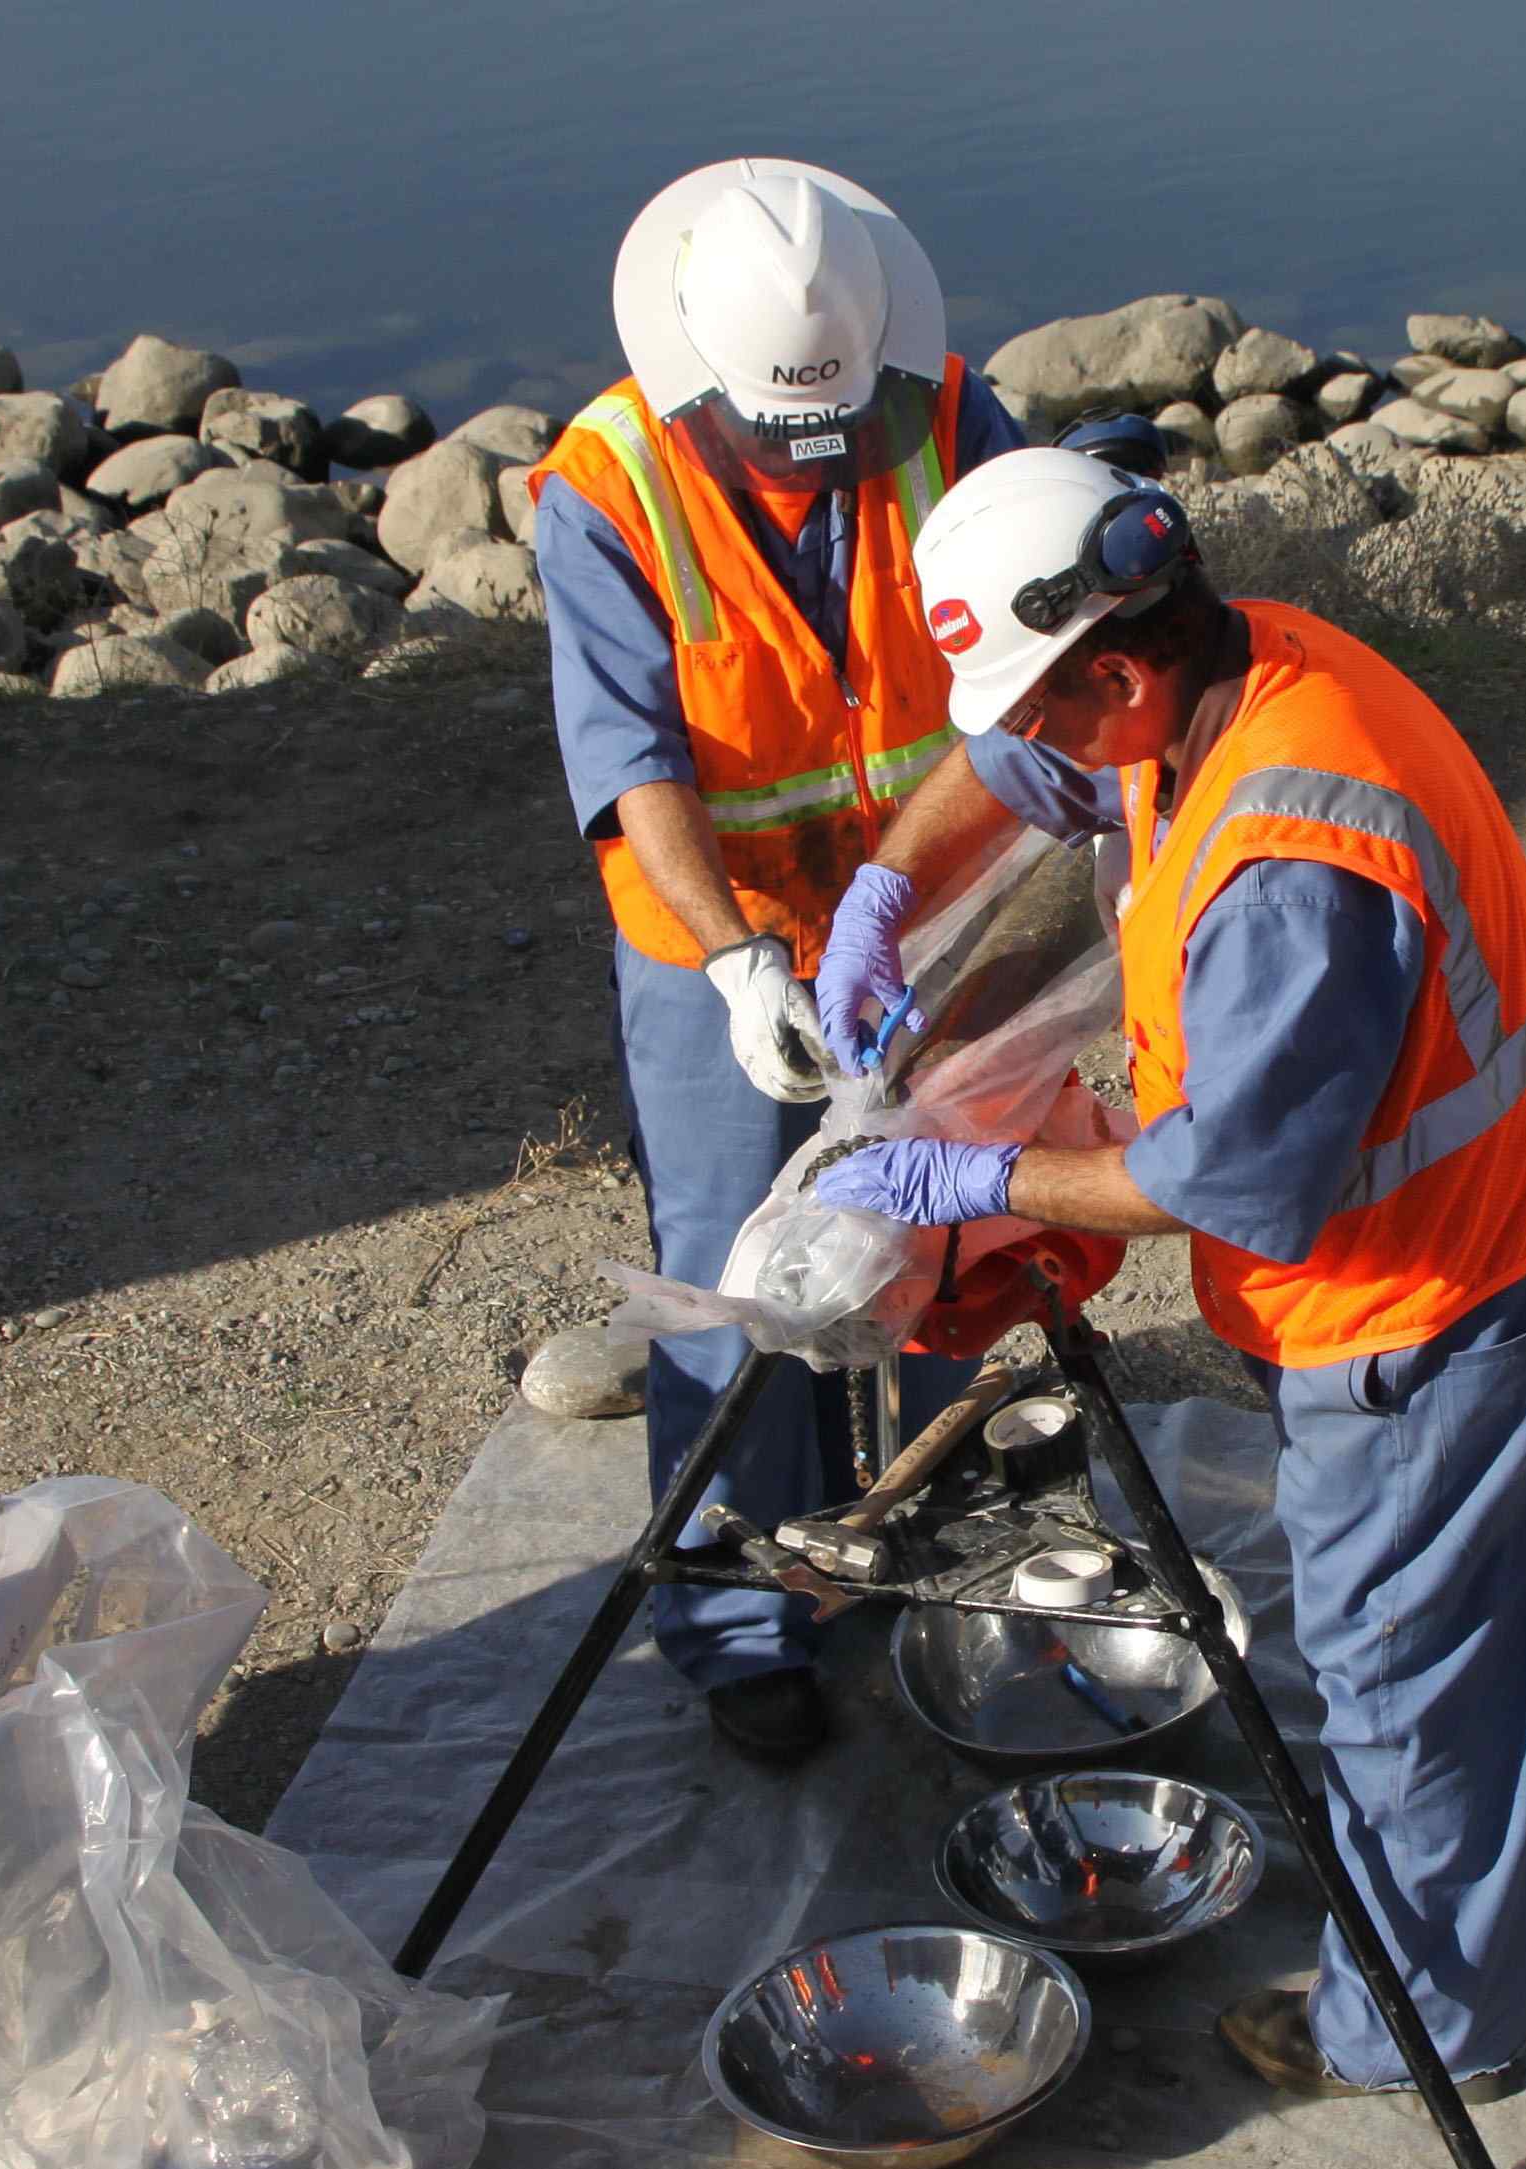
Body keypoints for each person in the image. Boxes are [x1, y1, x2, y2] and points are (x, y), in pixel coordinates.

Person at [811, 446, 1526, 2102]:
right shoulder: (1221, 666)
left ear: (1116, 672)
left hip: (1432, 1298)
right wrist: (883, 890)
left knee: (1397, 1676)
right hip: (1485, 1212)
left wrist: (979, 1179)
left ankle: (1412, 2036)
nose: (1029, 749)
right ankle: (1467, 1902)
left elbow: (1226, 1181)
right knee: (1456, 1638)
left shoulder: (1293, 857)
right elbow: (1001, 769)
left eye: (1039, 710)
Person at [528, 158, 1038, 1762]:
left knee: (951, 1221)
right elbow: (632, 764)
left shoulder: (954, 417)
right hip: (719, 933)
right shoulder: (606, 485)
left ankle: (929, 1531)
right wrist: (742, 961)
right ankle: (745, 1611)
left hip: (936, 906)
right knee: (735, 1274)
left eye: (834, 431)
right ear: (697, 385)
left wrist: (950, 898)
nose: (810, 468)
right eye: (771, 440)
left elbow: (1027, 669)